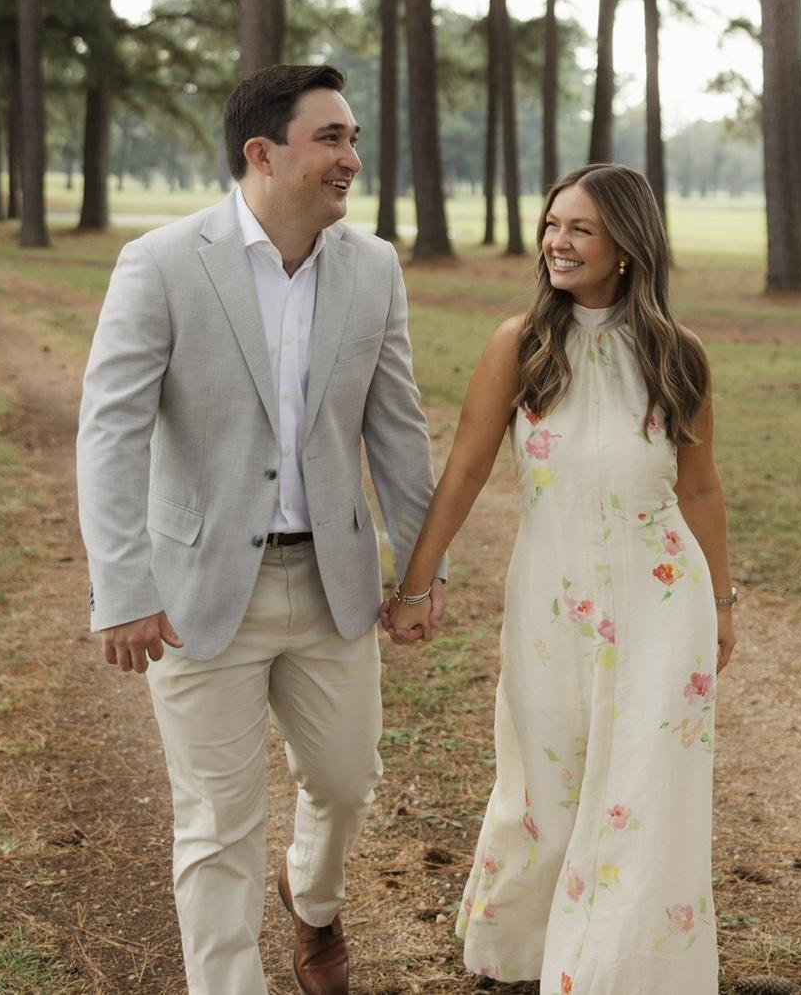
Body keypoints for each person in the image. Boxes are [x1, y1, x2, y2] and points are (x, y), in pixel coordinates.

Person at [76, 63, 440, 995]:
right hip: (197, 598)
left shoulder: (374, 267)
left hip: (333, 588)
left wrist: (420, 573)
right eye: (331, 139)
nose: (350, 158)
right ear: (262, 153)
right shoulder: (161, 263)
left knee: (347, 783)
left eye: (353, 139)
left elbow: (397, 430)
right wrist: (123, 590)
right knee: (217, 824)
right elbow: (110, 434)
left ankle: (311, 900)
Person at [384, 162, 736, 994]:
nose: (557, 242)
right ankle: (523, 949)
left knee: (645, 787)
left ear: (627, 245)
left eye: (580, 228)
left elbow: (700, 489)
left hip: (663, 603)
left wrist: (722, 604)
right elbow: (467, 469)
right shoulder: (522, 345)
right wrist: (415, 583)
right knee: (543, 779)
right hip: (549, 597)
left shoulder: (679, 356)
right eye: (552, 224)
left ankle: (616, 971)